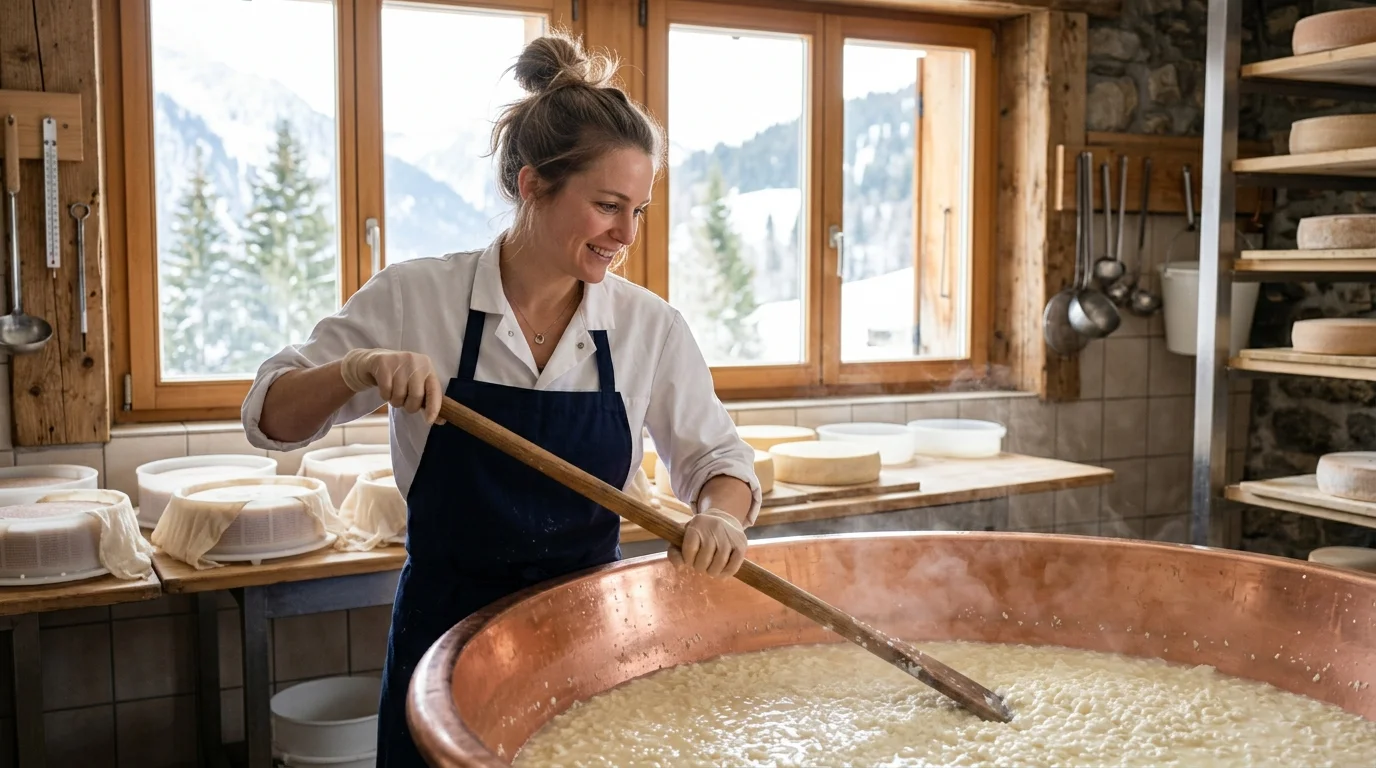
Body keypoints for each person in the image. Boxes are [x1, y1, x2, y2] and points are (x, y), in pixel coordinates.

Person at [241, 30, 761, 767]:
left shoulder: (648, 326)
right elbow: (269, 417)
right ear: (532, 186)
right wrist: (354, 368)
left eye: (638, 211)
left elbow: (719, 459)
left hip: (587, 650)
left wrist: (719, 515)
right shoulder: (419, 297)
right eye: (609, 205)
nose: (625, 234)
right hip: (443, 649)